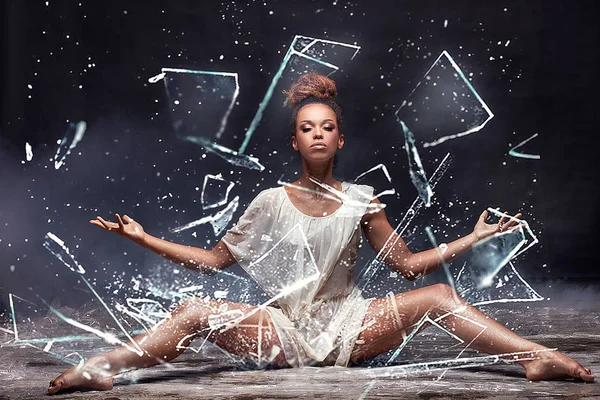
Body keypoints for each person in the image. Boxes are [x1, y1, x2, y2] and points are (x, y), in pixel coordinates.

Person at [48, 72, 593, 394]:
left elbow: (404, 266)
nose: (317, 134)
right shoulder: (267, 202)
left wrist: (470, 241)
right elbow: (215, 261)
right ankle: (101, 370)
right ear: (294, 141)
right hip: (284, 329)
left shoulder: (361, 200)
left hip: (351, 325)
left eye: (326, 127)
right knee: (192, 310)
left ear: (339, 139)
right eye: (307, 128)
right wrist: (145, 239)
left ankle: (531, 355)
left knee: (440, 295)